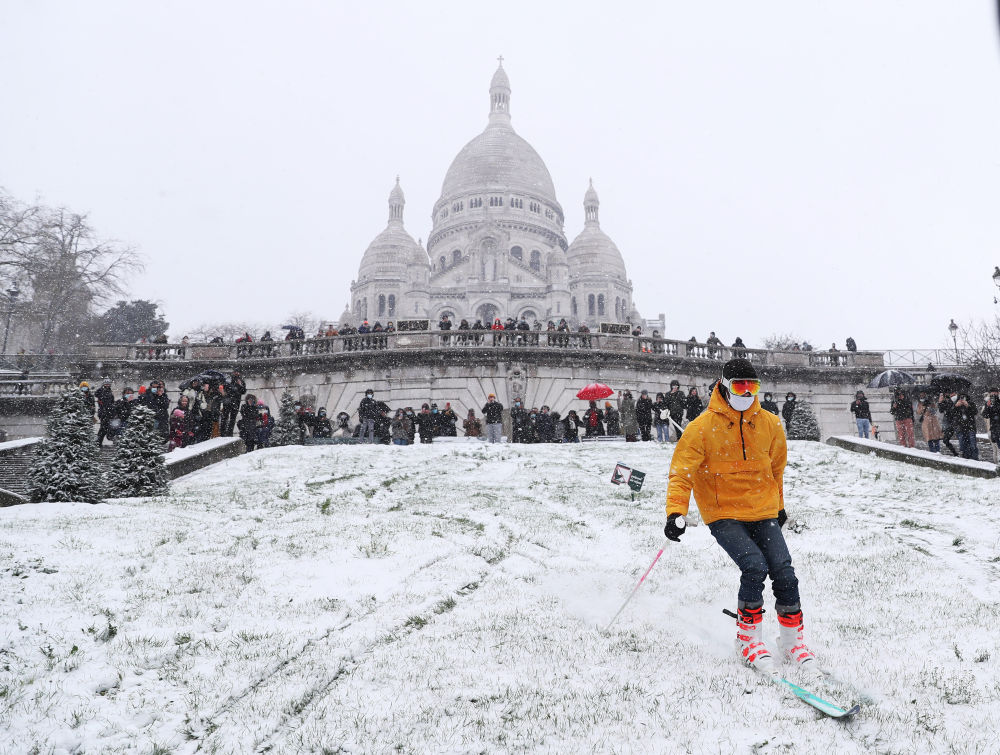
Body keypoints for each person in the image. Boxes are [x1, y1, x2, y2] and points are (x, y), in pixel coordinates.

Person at [664, 358, 814, 672]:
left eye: (752, 386)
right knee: (754, 566)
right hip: (723, 512)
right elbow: (681, 474)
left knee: (784, 571)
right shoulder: (702, 427)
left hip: (762, 508)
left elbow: (776, 470)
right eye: (739, 386)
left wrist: (780, 506)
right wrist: (675, 512)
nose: (746, 392)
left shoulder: (770, 424)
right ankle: (748, 639)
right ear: (724, 385)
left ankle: (791, 640)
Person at [953, 393, 979, 459]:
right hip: (960, 427)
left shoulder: (970, 403)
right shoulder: (956, 404)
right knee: (962, 445)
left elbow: (975, 412)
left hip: (970, 427)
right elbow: (951, 414)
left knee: (972, 444)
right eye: (960, 397)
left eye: (963, 397)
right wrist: (955, 406)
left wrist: (968, 405)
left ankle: (974, 458)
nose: (962, 399)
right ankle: (966, 457)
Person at [221, 371, 246, 436]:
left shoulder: (241, 381)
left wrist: (240, 385)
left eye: (237, 373)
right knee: (225, 417)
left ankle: (230, 432)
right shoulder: (228, 381)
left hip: (236, 403)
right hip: (227, 402)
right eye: (235, 372)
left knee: (233, 418)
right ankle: (223, 432)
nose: (236, 374)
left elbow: (243, 391)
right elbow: (225, 389)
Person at [95, 377, 116, 446]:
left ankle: (99, 441)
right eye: (106, 384)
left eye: (108, 384)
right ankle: (98, 442)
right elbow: (97, 395)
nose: (107, 385)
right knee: (103, 428)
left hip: (109, 412)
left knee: (106, 427)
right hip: (104, 412)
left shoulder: (109, 392)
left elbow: (112, 402)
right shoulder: (101, 391)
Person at [983, 388, 1000, 457]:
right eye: (992, 393)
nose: (993, 394)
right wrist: (988, 406)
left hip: (998, 425)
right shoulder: (988, 403)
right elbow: (985, 415)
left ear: (998, 393)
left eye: (995, 392)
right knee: (994, 442)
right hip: (993, 426)